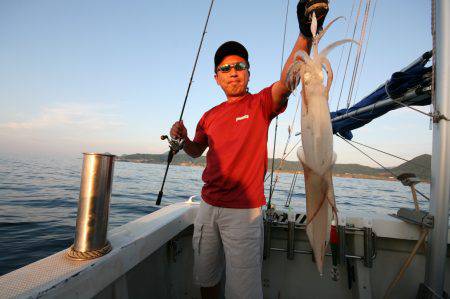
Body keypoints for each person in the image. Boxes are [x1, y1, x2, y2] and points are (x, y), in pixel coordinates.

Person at [170, 1, 329, 298]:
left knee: (243, 291)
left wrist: (305, 35)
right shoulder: (209, 115)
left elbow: (288, 81)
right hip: (207, 207)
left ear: (248, 72)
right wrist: (181, 139)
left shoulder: (260, 104)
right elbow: (195, 151)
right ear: (216, 77)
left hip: (244, 214)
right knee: (206, 278)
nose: (233, 72)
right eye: (226, 68)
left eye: (239, 66)